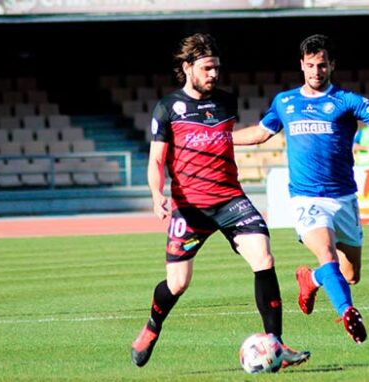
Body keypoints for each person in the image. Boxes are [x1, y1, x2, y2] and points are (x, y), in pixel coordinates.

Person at [232, 34, 369, 344]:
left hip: (344, 199)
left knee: (350, 276)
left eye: (322, 65)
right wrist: (220, 139)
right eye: (310, 66)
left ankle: (311, 279)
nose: (316, 72)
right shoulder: (285, 102)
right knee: (326, 255)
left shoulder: (347, 101)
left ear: (331, 65)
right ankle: (348, 312)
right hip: (308, 198)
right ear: (301, 66)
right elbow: (259, 133)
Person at [130, 33, 310, 368]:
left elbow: (233, 138)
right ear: (188, 68)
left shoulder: (227, 102)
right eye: (207, 68)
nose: (214, 74)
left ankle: (277, 347)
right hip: (190, 208)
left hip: (230, 201)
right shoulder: (168, 107)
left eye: (217, 68)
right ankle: (152, 327)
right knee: (177, 283)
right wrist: (157, 195)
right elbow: (156, 160)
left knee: (264, 257)